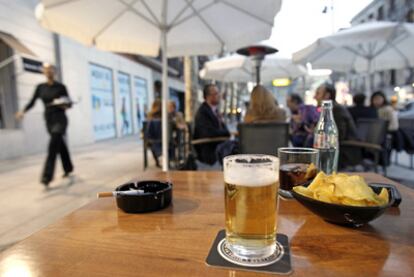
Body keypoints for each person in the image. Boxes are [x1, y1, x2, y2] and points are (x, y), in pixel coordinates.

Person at [15, 64, 74, 187]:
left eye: (51, 69)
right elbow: (32, 101)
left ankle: (46, 176)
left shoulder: (61, 87)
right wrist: (23, 111)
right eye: (46, 69)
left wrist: (65, 105)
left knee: (53, 145)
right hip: (49, 119)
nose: (48, 71)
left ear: (55, 71)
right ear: (43, 71)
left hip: (60, 118)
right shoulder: (40, 87)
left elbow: (68, 103)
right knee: (60, 144)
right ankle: (68, 168)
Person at [193, 84, 230, 165]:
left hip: (218, 145)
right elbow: (208, 133)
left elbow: (226, 130)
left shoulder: (215, 111)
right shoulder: (203, 112)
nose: (219, 96)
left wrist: (225, 132)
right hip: (209, 150)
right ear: (208, 96)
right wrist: (225, 133)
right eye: (216, 93)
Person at [146, 100, 162, 168]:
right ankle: (158, 160)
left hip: (156, 136)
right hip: (155, 136)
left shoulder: (162, 113)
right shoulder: (151, 114)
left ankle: (158, 160)